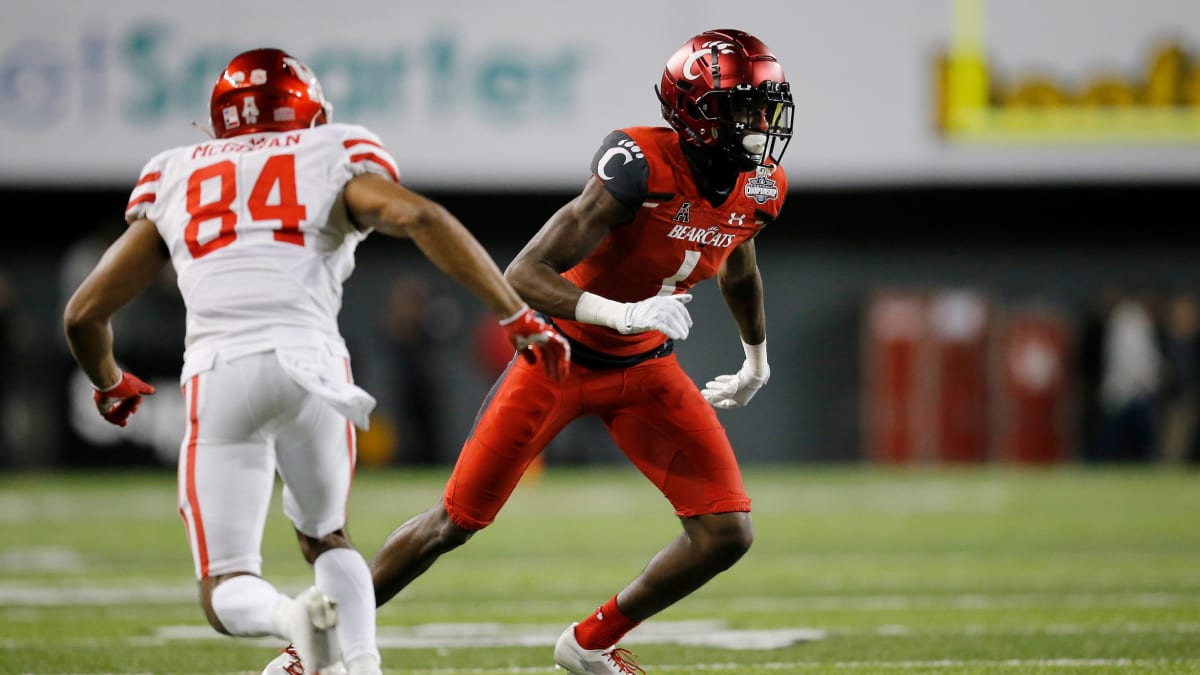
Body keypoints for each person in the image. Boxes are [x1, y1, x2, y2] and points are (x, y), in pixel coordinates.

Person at [62, 47, 569, 675]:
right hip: (316, 369)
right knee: (326, 537)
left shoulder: (176, 171)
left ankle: (289, 619)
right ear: (310, 110)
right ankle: (361, 665)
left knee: (226, 586)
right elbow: (421, 216)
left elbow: (84, 314)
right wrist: (515, 315)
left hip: (220, 370)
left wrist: (110, 384)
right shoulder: (331, 151)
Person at [352, 28, 792, 674]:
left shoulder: (760, 186)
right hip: (560, 359)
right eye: (744, 107)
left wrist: (756, 355)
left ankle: (590, 642)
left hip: (646, 369)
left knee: (727, 531)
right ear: (698, 114)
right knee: (451, 523)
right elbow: (524, 272)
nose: (761, 123)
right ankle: (314, 643)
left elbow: (740, 270)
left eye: (766, 105)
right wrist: (623, 313)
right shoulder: (639, 165)